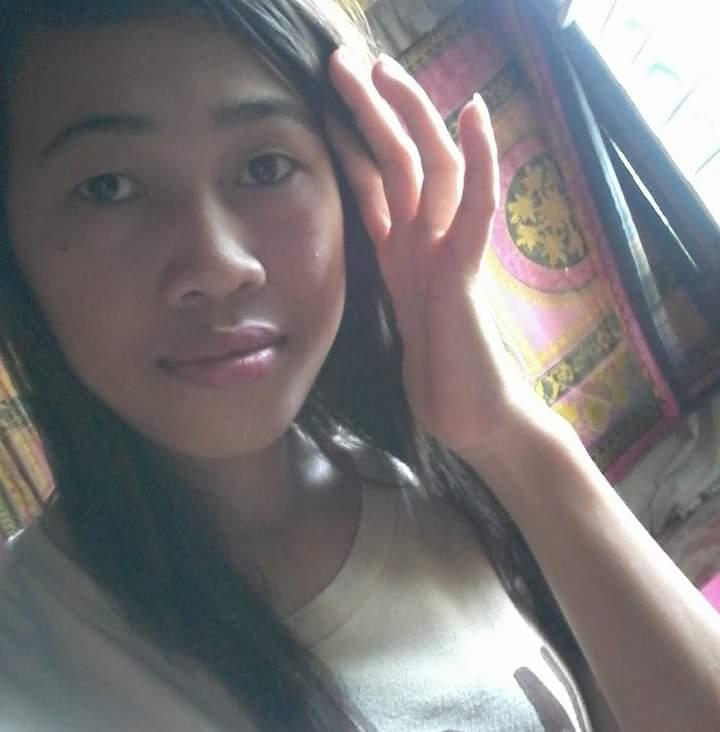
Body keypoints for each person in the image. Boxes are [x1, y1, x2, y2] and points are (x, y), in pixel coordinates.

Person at [0, 1, 718, 730]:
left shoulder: (420, 470)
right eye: (108, 187)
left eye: (265, 167)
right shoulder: (28, 661)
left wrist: (506, 432)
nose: (218, 265)